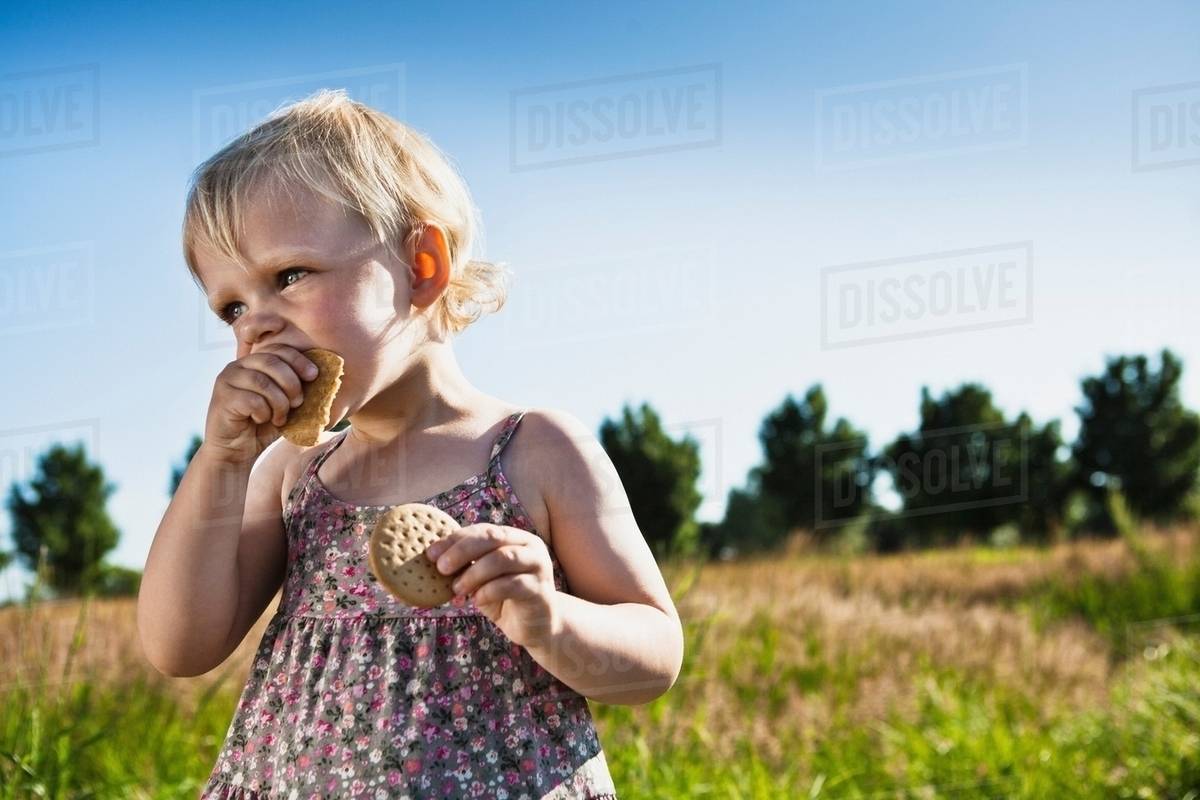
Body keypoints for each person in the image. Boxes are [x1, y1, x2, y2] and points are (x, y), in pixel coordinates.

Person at [136, 88, 684, 799]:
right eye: (233, 306)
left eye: (289, 276)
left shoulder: (534, 448)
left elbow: (655, 656)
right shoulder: (293, 473)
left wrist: (551, 621)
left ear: (422, 266)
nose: (255, 327)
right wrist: (223, 459)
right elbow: (180, 645)